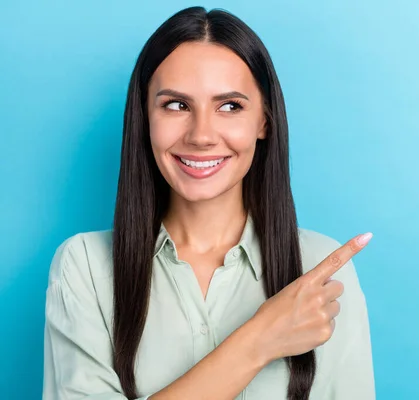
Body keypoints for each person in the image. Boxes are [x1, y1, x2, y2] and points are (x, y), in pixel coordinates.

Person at [43, 6, 374, 400]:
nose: (201, 135)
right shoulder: (85, 268)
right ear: (144, 117)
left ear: (264, 121)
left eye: (230, 106)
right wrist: (259, 340)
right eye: (176, 105)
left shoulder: (321, 272)